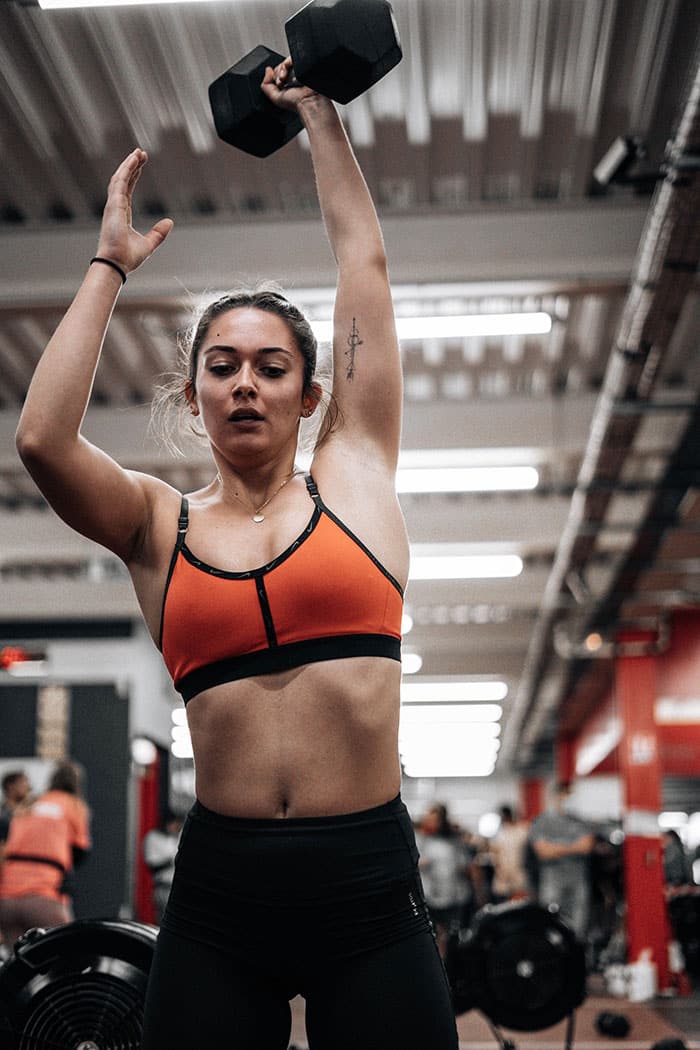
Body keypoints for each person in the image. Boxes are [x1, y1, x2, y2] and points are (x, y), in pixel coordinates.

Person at [15, 59, 459, 1050]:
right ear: (194, 396)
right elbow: (43, 440)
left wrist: (319, 123)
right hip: (222, 897)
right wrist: (109, 266)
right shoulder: (154, 525)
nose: (245, 385)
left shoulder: (355, 473)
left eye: (271, 367)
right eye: (221, 368)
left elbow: (364, 277)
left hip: (366, 888)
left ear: (312, 393)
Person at [0, 761, 90, 951]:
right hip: (44, 898)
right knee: (69, 957)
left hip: (6, 901)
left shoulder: (30, 803)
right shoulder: (73, 805)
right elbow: (80, 851)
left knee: (15, 967)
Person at [528, 781, 594, 941]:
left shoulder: (581, 822)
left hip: (578, 883)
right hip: (552, 883)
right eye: (564, 795)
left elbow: (586, 847)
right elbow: (544, 852)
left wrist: (556, 847)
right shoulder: (542, 822)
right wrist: (572, 847)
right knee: (551, 927)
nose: (567, 799)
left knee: (578, 930)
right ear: (555, 797)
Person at [417, 804, 472, 956]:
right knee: (434, 934)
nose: (430, 823)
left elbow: (465, 866)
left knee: (450, 935)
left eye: (434, 820)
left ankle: (449, 966)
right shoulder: (422, 841)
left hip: (453, 897)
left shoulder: (455, 841)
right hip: (431, 898)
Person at [142, 811, 183, 924]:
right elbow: (152, 865)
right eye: (175, 824)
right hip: (164, 887)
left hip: (181, 888)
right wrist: (171, 860)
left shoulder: (178, 838)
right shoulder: (154, 838)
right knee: (165, 923)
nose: (177, 827)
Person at [490, 804, 530, 903]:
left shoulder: (523, 831)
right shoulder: (499, 834)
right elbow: (495, 856)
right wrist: (501, 872)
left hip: (520, 877)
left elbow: (529, 855)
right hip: (503, 879)